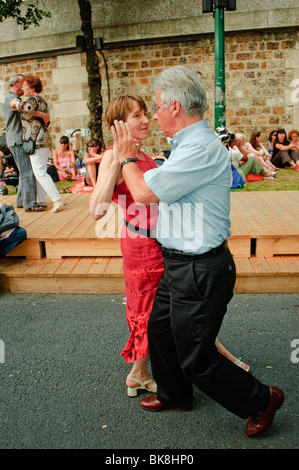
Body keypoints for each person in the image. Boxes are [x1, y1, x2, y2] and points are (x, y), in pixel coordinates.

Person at [110, 66, 284, 437]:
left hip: (201, 268)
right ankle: (175, 394)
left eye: (156, 107)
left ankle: (262, 398)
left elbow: (142, 193)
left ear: (175, 106)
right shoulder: (187, 146)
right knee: (160, 330)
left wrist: (124, 156)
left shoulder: (199, 148)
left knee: (196, 358)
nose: (154, 115)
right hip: (179, 264)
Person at [90, 93, 250, 399]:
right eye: (136, 115)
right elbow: (96, 210)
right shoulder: (113, 155)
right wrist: (117, 160)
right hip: (142, 245)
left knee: (174, 310)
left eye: (145, 113)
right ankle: (140, 372)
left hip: (163, 242)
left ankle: (145, 374)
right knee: (153, 311)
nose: (146, 119)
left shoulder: (145, 154)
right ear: (119, 124)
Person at [10, 75, 66, 213]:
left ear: (32, 86)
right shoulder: (42, 101)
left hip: (36, 141)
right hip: (42, 141)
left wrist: (16, 104)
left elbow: (27, 107)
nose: (22, 88)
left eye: (25, 85)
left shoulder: (33, 99)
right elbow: (46, 119)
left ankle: (58, 200)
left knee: (39, 172)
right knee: (39, 172)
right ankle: (41, 201)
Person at [1, 74, 44, 212]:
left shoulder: (10, 97)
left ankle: (20, 200)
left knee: (23, 170)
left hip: (15, 140)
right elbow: (26, 108)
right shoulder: (10, 99)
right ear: (15, 84)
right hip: (17, 140)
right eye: (22, 83)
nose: (24, 86)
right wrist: (44, 115)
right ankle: (30, 203)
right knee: (27, 171)